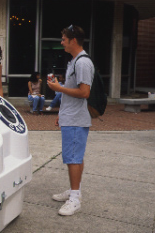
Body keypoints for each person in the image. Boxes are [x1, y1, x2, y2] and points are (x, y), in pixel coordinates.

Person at [47, 25, 94, 216]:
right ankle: (75, 191)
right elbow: (75, 91)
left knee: (73, 158)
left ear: (73, 40)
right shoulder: (75, 61)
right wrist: (62, 112)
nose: (61, 42)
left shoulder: (82, 63)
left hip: (76, 119)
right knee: (76, 156)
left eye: (64, 39)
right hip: (71, 116)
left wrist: (59, 89)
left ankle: (74, 198)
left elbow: (84, 92)